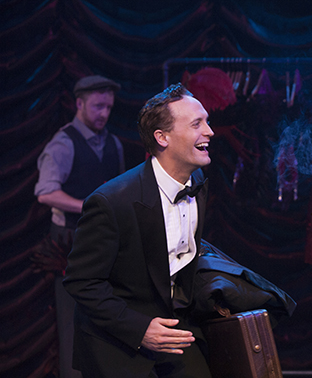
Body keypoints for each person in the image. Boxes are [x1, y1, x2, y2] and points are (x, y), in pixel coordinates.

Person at [63, 83, 214, 377]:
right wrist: (140, 328)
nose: (209, 131)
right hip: (118, 339)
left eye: (206, 122)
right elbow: (82, 282)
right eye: (197, 124)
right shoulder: (111, 202)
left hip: (173, 332)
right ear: (163, 137)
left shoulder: (198, 182)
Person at [34, 75, 125, 378]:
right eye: (98, 106)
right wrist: (88, 205)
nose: (104, 113)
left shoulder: (112, 143)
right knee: (73, 322)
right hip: (69, 243)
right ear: (79, 104)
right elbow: (46, 192)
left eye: (109, 107)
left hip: (105, 242)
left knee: (106, 320)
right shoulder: (63, 143)